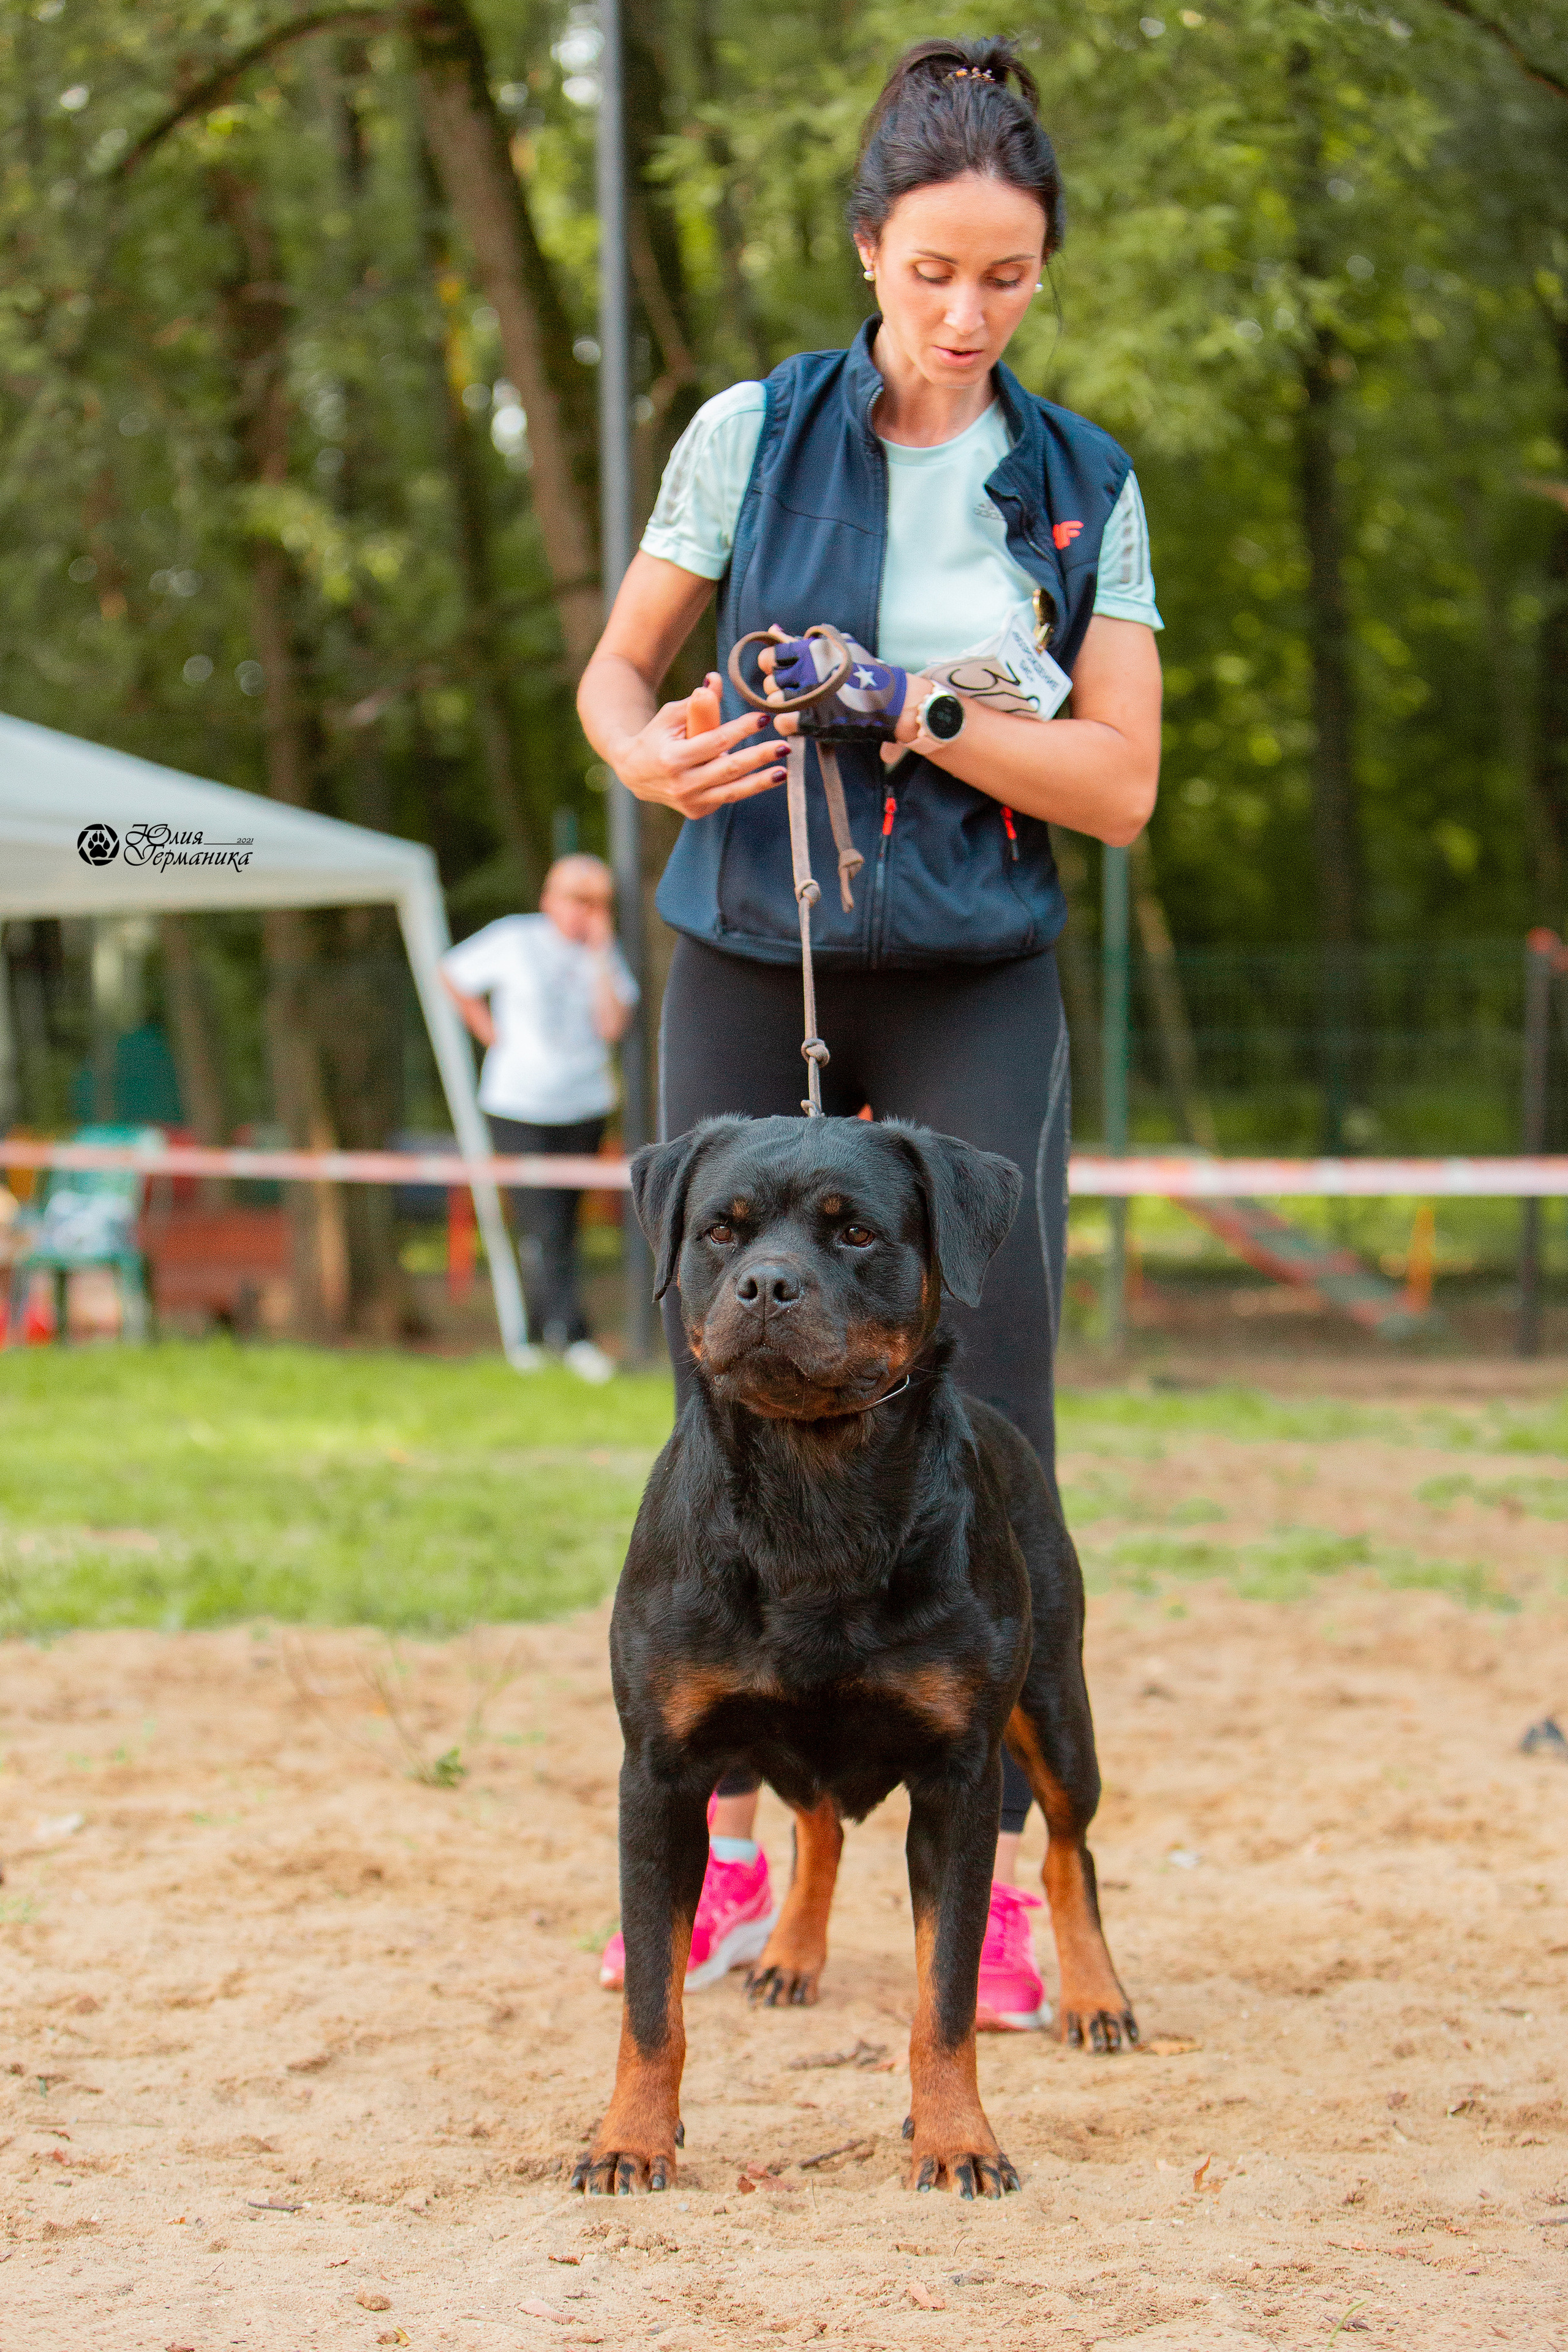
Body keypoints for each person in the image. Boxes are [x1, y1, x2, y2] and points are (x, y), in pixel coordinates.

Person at [580, 37, 1162, 2023]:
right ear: (868, 252)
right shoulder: (753, 430)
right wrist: (646, 756)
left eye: (1008, 276)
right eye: (932, 273)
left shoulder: (1085, 486)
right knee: (727, 1360)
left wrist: (912, 702)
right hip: (756, 944)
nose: (967, 315)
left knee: (998, 1405)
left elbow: (1118, 784)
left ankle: (980, 1870)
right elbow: (616, 673)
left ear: (1042, 268)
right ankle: (725, 1836)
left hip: (980, 971)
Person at [440, 854, 638, 1384]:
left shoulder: (605, 954)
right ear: (550, 898)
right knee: (541, 1222)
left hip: (585, 1103)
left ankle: (535, 1335)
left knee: (565, 1225)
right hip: (519, 1103)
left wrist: (601, 953)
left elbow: (613, 1024)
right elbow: (452, 972)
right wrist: (487, 1031)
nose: (585, 912)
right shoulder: (515, 938)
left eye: (597, 903)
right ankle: (572, 1336)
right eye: (577, 899)